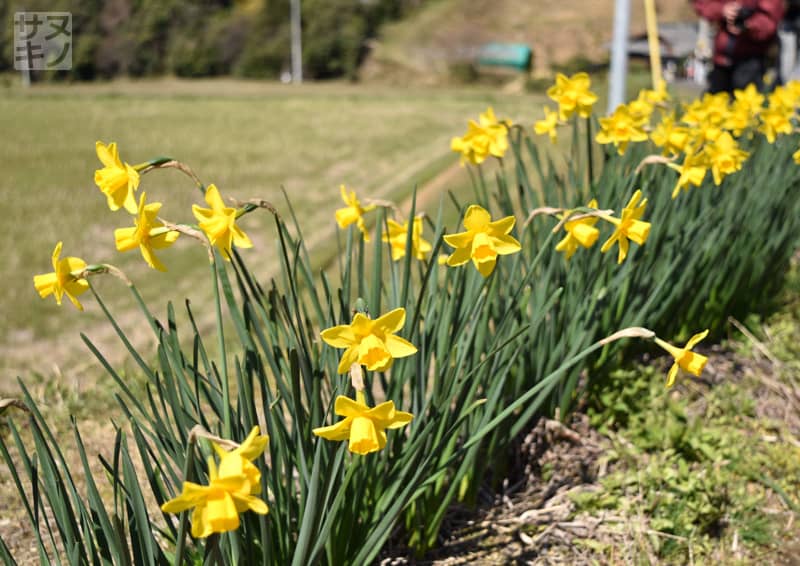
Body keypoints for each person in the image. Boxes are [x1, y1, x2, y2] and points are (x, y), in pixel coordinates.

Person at [692, 0, 784, 93]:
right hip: (721, 60)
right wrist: (722, 10)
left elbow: (770, 20)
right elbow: (703, 4)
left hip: (751, 58)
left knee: (747, 100)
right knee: (715, 98)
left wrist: (749, 25)